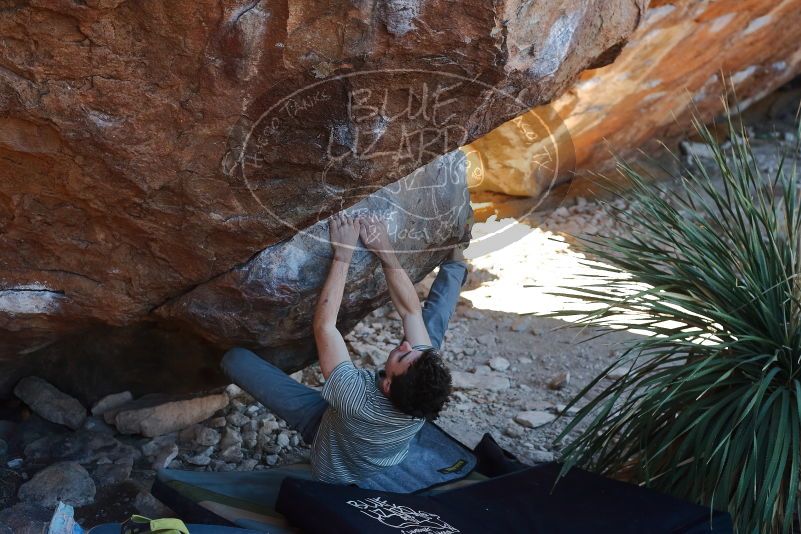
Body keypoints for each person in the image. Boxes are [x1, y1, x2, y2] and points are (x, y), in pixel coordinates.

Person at [222, 212, 469, 485]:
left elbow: (325, 326)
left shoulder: (355, 396)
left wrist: (343, 255)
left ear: (386, 386)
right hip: (368, 436)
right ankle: (456, 268)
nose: (405, 345)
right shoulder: (420, 401)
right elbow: (410, 313)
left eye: (402, 354)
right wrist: (384, 250)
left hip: (325, 439)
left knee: (235, 360)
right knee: (430, 331)